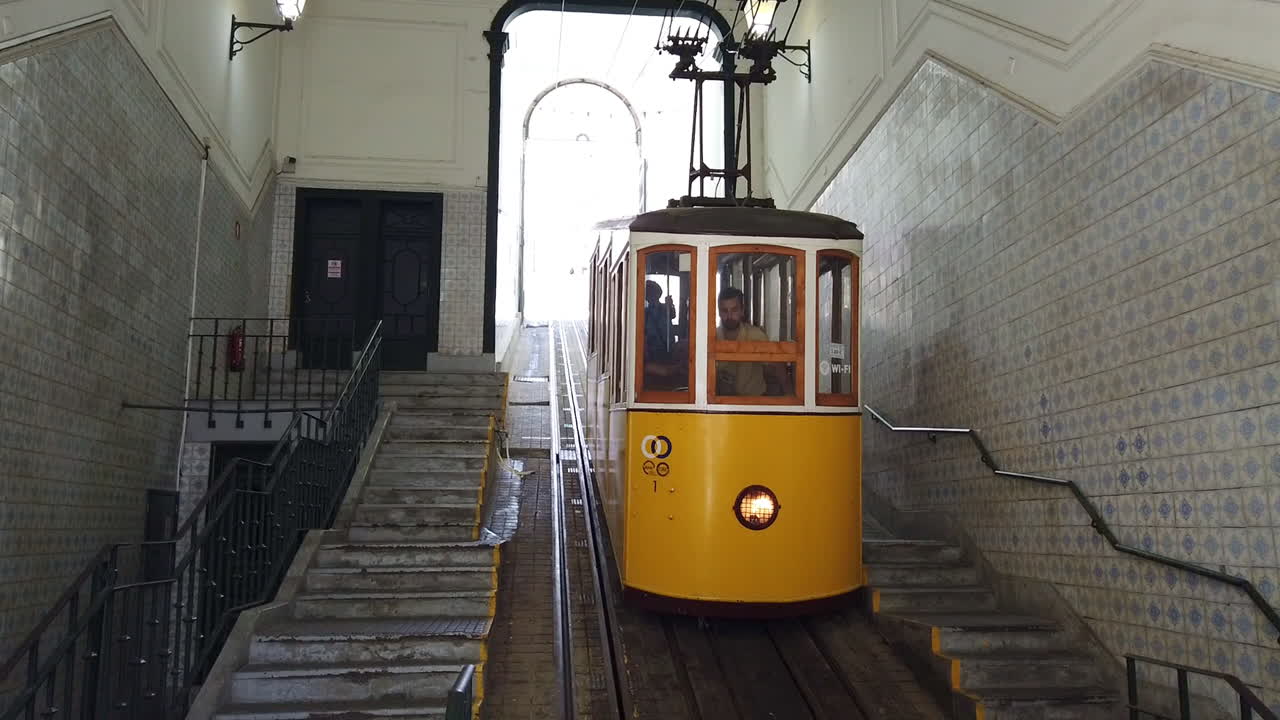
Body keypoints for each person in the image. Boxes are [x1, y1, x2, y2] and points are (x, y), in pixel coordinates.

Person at [715, 286, 778, 396]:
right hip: (719, 405)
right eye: (724, 310)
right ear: (719, 312)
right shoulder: (712, 337)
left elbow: (774, 369)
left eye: (734, 310)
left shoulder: (756, 335)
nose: (729, 316)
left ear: (742, 311)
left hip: (753, 404)